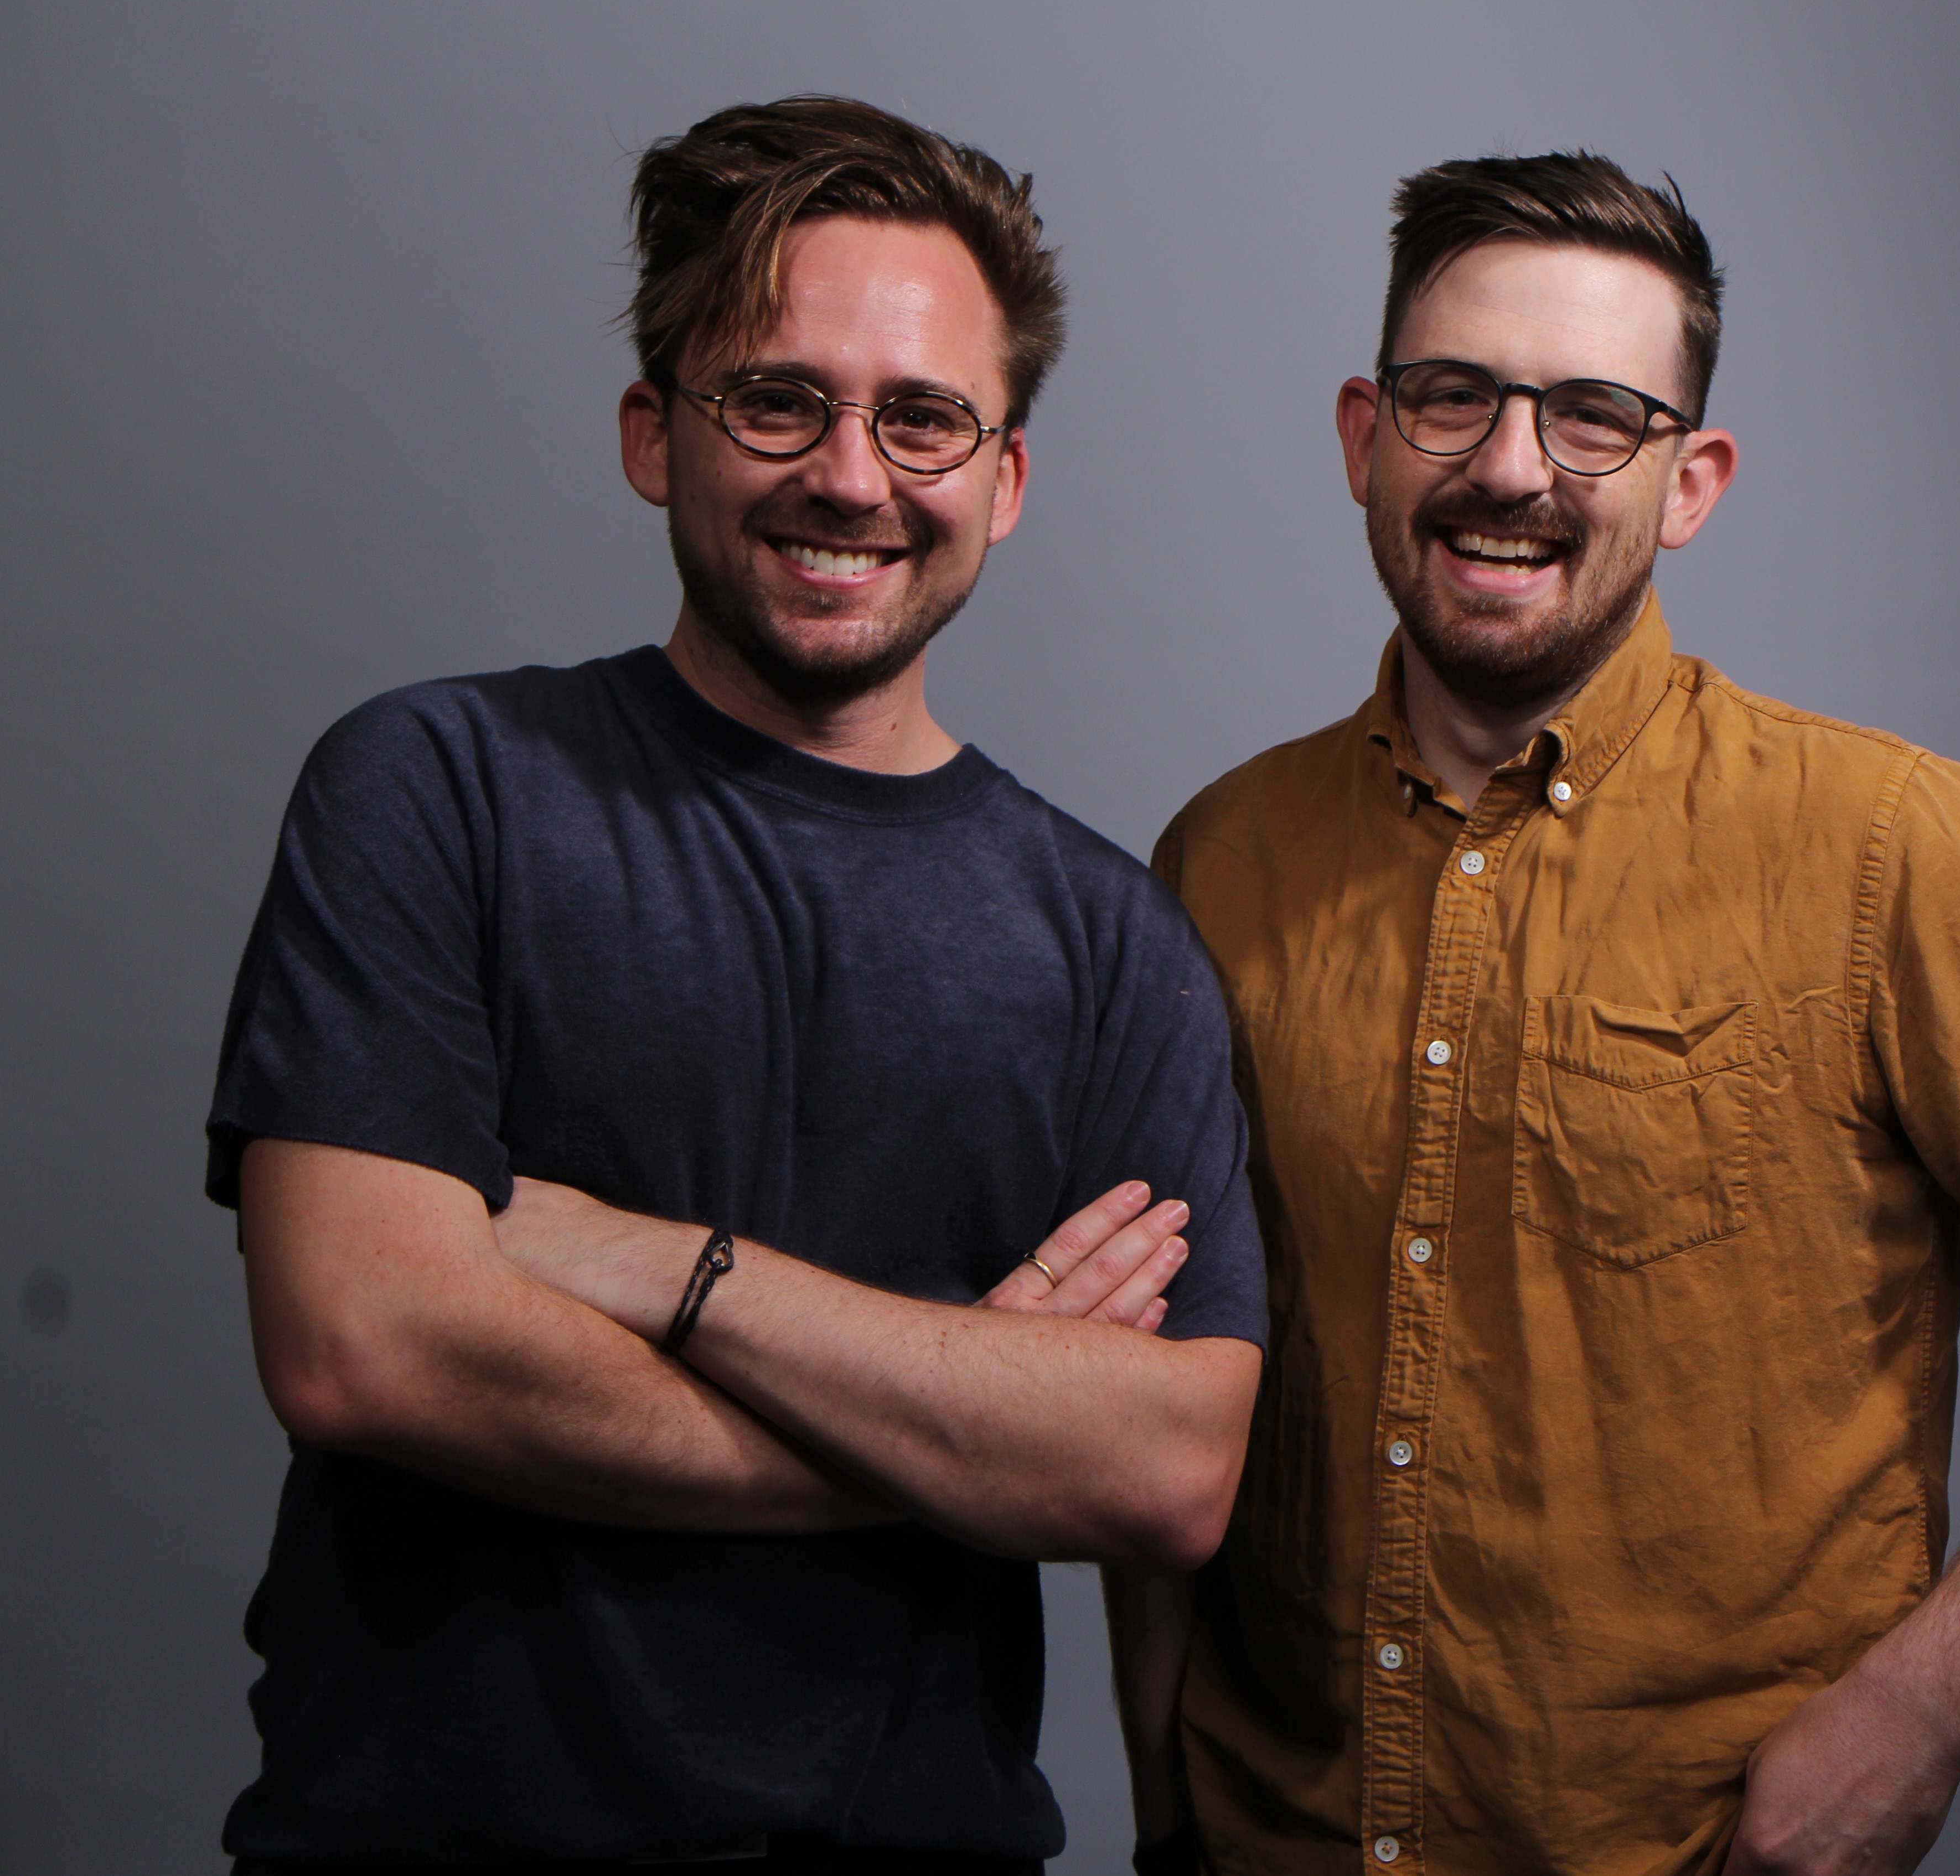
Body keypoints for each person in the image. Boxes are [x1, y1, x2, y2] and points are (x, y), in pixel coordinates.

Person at [1114, 150, 1960, 1876]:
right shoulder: (1217, 856)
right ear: (1361, 438)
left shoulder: (1883, 845)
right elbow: (1169, 1364)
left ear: (1690, 482)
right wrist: (1164, 1797)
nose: (1509, 468)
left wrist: (1921, 1710)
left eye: (1594, 415)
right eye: (1451, 396)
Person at [205, 96, 1265, 1875]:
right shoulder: (434, 785)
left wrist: (647, 1262)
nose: (849, 475)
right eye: (776, 397)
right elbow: (363, 1344)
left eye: (922, 416)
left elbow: (1161, 1473)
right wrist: (960, 1422)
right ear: (653, 432)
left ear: (1003, 478)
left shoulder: (1114, 940)